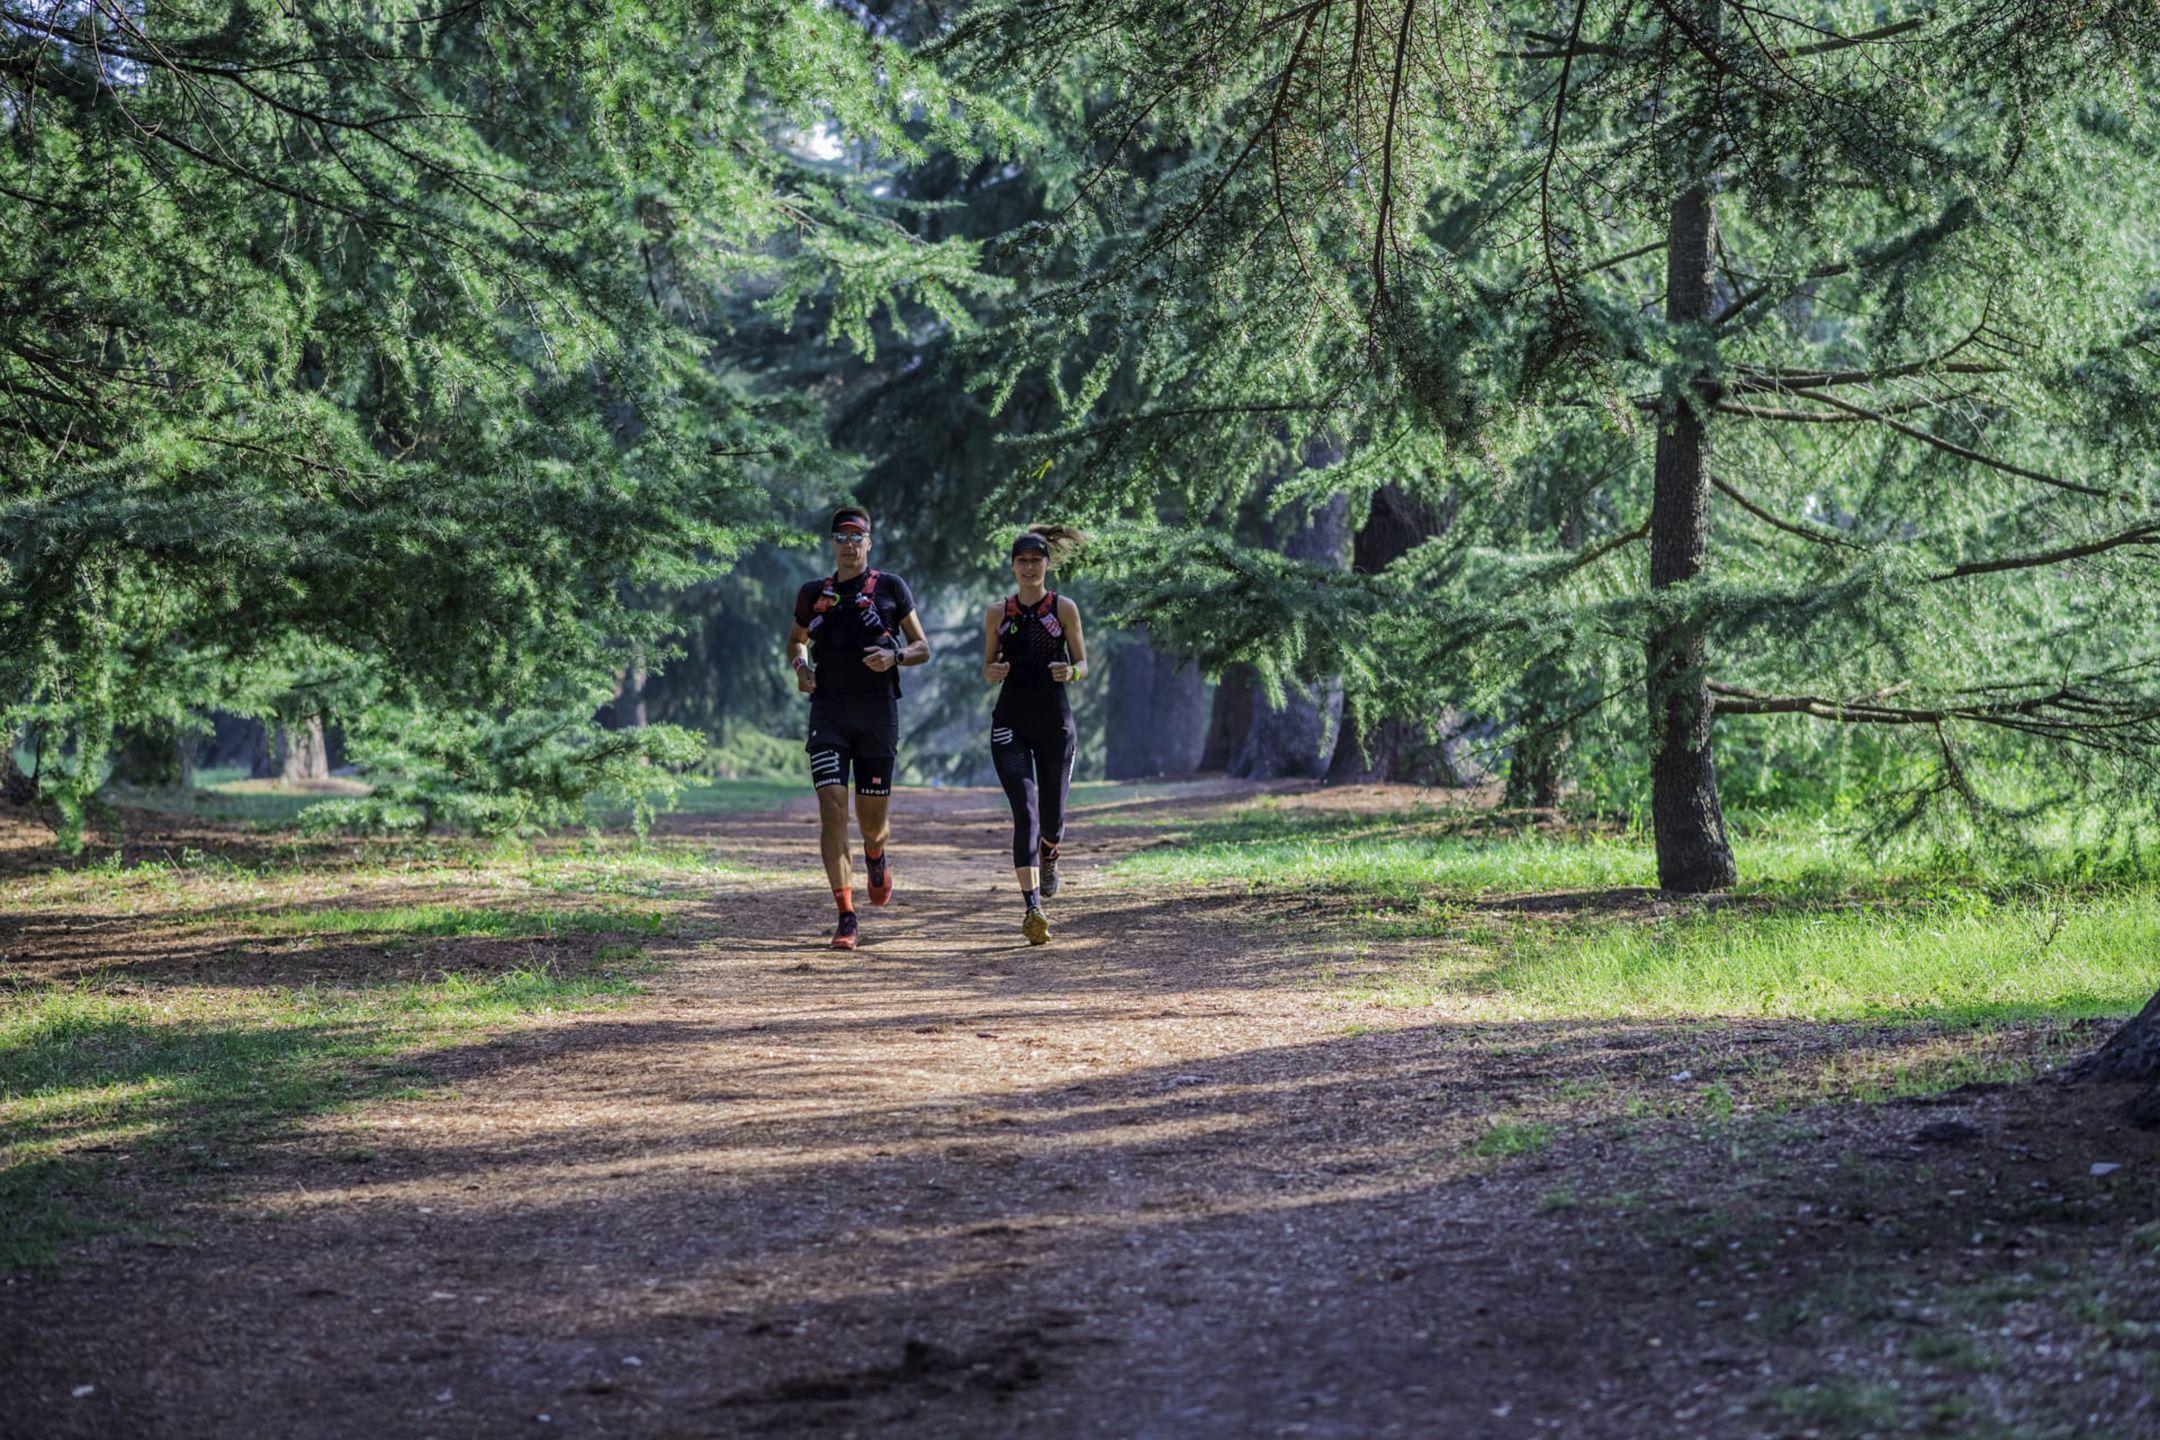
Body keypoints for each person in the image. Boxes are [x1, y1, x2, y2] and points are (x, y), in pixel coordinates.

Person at [786, 506, 929, 950]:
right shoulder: (814, 593)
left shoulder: (890, 587)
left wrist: (895, 657)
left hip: (877, 713)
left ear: (869, 543)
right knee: (831, 808)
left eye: (856, 537)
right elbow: (796, 639)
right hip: (828, 712)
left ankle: (875, 854)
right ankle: (846, 915)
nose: (849, 544)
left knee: (871, 823)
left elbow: (922, 646)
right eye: (841, 536)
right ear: (832, 543)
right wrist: (800, 666)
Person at [981, 527, 1089, 945]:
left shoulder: (1063, 608)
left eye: (1036, 560)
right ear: (1012, 566)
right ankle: (1032, 908)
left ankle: (1051, 852)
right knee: (1024, 813)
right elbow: (988, 667)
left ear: (1047, 564)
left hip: (1055, 723)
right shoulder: (998, 612)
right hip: (1010, 721)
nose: (1029, 567)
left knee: (1052, 821)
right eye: (1021, 561)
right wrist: (993, 671)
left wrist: (1072, 671)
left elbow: (1083, 662)